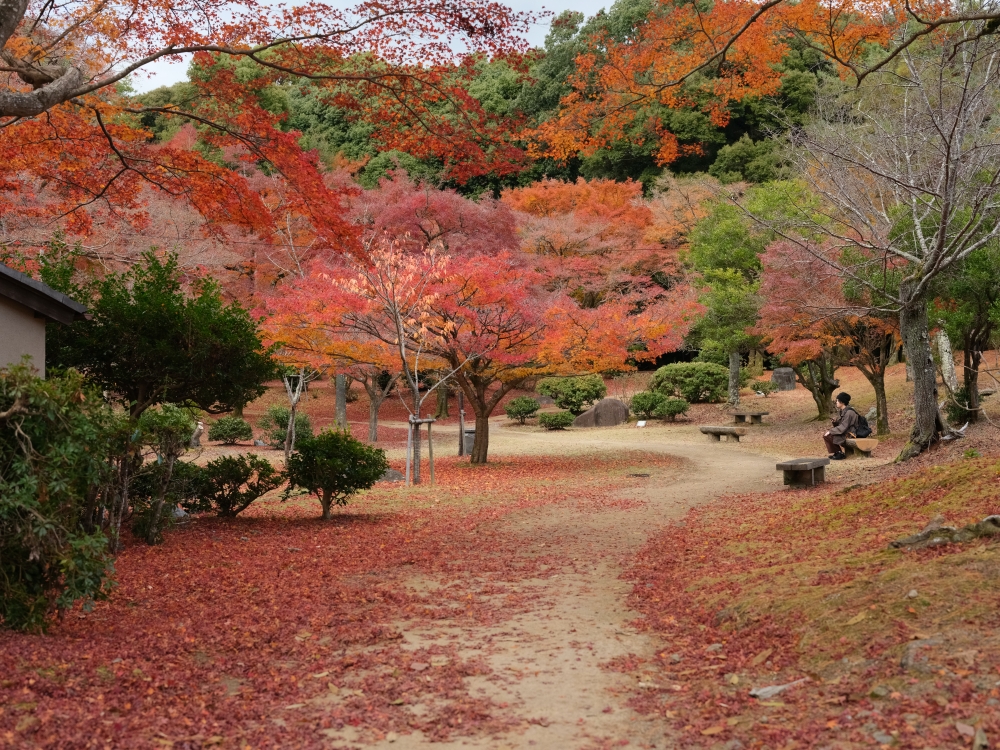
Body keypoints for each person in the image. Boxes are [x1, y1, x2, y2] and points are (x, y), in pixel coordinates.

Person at [824, 392, 859, 460]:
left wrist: (831, 431)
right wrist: (835, 423)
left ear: (842, 402)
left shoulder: (849, 412)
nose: (836, 402)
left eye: (837, 400)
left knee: (829, 435)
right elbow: (842, 425)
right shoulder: (843, 411)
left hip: (850, 434)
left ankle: (839, 453)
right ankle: (837, 452)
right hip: (845, 431)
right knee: (826, 435)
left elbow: (843, 427)